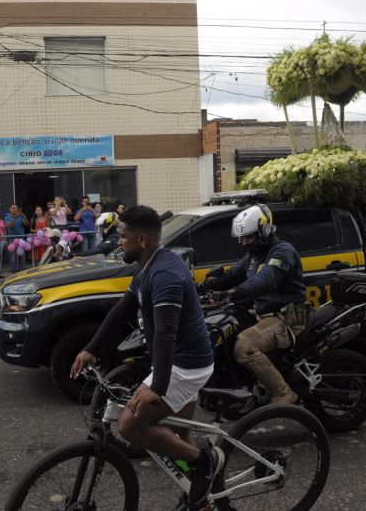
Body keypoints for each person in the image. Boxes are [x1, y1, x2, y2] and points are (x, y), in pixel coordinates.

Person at [70, 205, 220, 509]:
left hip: (186, 366)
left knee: (128, 426)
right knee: (180, 432)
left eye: (122, 236)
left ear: (141, 239)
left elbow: (165, 333)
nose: (117, 242)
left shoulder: (164, 274)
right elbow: (121, 311)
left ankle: (205, 462)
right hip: (177, 361)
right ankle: (202, 495)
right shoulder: (148, 266)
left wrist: (157, 386)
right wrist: (91, 349)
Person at [198, 204, 307, 405]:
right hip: (264, 315)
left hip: (287, 318)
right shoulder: (254, 255)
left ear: (264, 232)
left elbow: (265, 280)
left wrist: (232, 293)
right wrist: (206, 285)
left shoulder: (282, 252)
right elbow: (234, 274)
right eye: (241, 238)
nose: (244, 243)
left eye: (249, 237)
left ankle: (283, 393)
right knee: (223, 332)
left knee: (244, 347)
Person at [5, 204, 29, 273]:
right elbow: (10, 226)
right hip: (12, 239)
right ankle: (14, 272)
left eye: (16, 208)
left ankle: (21, 271)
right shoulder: (7, 217)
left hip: (21, 239)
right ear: (10, 210)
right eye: (13, 208)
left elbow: (27, 224)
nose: (15, 209)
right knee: (13, 257)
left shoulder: (20, 217)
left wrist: (23, 215)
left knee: (21, 256)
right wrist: (15, 217)